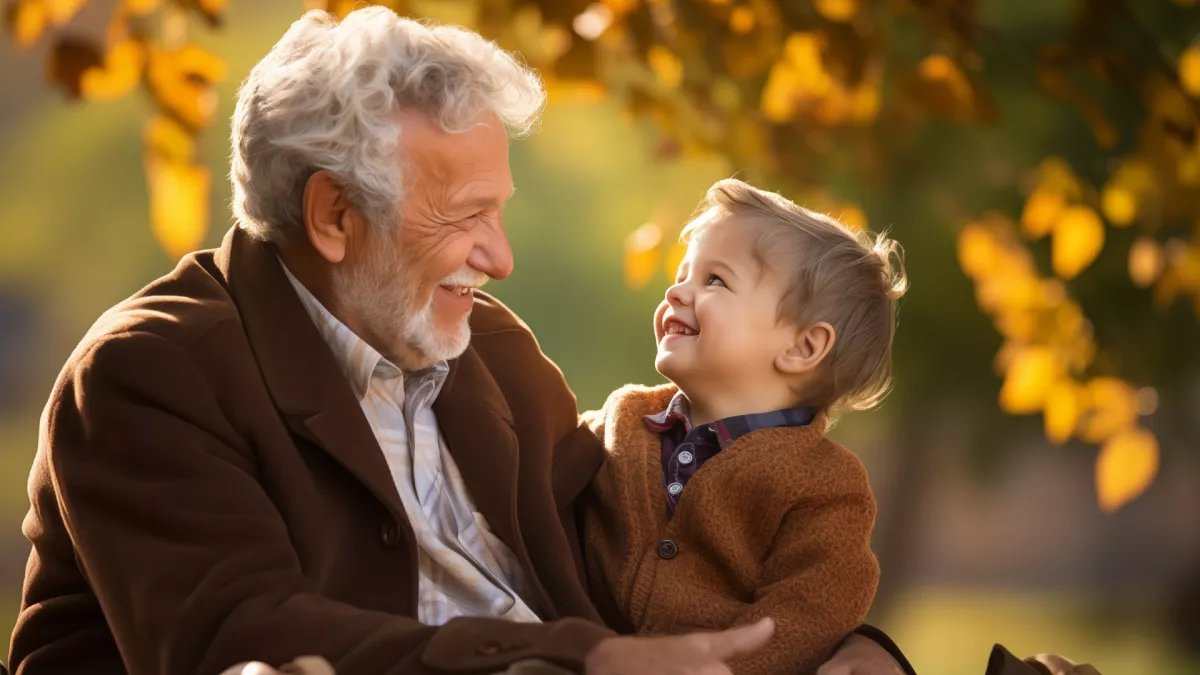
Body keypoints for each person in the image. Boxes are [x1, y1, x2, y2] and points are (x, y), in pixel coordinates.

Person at [6, 7, 912, 675]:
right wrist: (578, 657)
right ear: (334, 216)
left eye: (498, 212)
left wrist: (853, 647)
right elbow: (243, 638)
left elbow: (651, 542)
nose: (501, 258)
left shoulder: (487, 348)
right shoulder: (147, 375)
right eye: (467, 215)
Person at [581, 178, 905, 675]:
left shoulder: (825, 486)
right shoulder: (623, 420)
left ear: (802, 347)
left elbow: (810, 611)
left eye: (714, 280)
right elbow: (538, 463)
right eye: (683, 274)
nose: (675, 291)